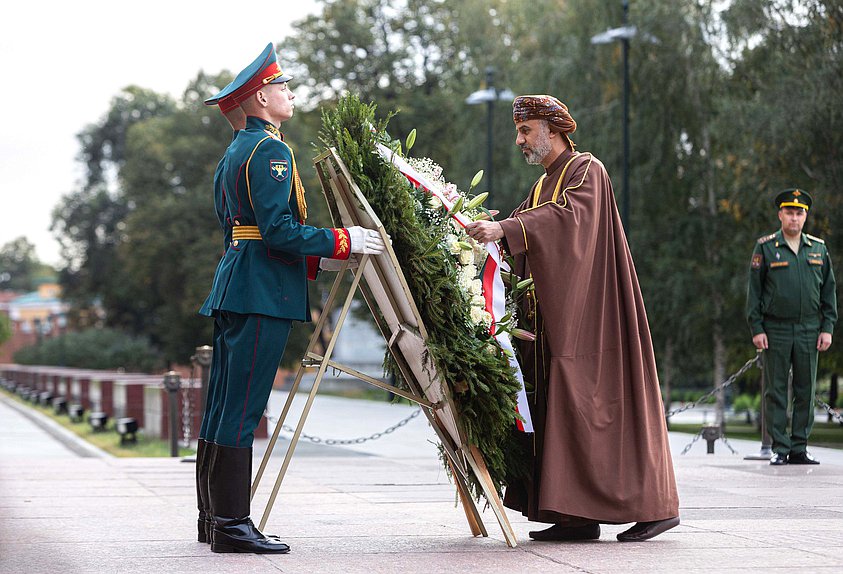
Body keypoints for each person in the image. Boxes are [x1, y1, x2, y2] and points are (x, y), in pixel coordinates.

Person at [195, 43, 386, 554]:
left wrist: (317, 258)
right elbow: (278, 231)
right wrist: (342, 241)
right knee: (242, 409)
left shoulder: (236, 150)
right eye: (281, 86)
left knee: (222, 406)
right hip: (262, 291)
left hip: (239, 282)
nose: (290, 93)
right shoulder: (271, 151)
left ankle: (213, 520)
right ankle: (233, 527)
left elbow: (247, 230)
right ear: (260, 99)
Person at [465, 95, 679, 543]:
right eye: (518, 130)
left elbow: (570, 220)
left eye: (526, 130)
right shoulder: (543, 183)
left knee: (605, 412)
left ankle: (655, 506)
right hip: (558, 325)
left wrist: (507, 229)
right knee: (564, 413)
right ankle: (575, 517)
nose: (518, 139)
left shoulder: (587, 169)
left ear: (554, 129)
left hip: (593, 321)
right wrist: (487, 234)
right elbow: (526, 226)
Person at [746, 189, 837, 466]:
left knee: (805, 389)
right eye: (789, 212)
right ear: (780, 214)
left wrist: (827, 327)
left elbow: (828, 291)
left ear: (805, 216)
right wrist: (757, 327)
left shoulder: (818, 249)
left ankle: (799, 446)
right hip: (776, 329)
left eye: (799, 213)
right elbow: (755, 291)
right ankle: (779, 448)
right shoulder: (766, 247)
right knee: (775, 390)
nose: (794, 218)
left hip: (810, 328)